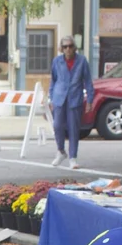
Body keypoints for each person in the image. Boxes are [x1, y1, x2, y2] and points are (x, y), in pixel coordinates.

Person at [49, 36, 94, 170]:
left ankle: (73, 158)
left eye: (70, 46)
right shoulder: (57, 61)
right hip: (59, 97)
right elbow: (53, 80)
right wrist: (50, 98)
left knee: (74, 129)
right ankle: (61, 151)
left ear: (74, 47)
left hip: (75, 98)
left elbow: (88, 82)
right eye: (65, 47)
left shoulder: (82, 61)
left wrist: (90, 100)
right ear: (61, 48)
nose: (68, 49)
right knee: (57, 126)